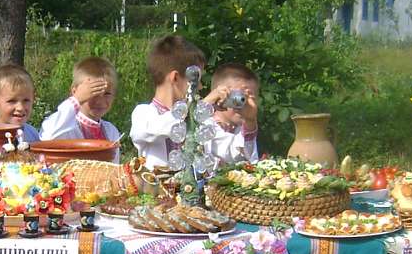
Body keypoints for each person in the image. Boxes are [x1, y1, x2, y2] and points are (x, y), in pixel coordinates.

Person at [130, 34, 212, 169]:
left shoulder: (192, 115)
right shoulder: (144, 113)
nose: (201, 87)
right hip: (156, 189)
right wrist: (204, 104)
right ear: (175, 78)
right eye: (196, 80)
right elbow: (152, 130)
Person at [39, 56, 121, 161]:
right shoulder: (66, 125)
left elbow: (114, 167)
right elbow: (48, 135)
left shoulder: (110, 131)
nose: (100, 101)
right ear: (75, 92)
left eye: (107, 94)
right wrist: (76, 99)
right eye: (93, 94)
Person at [207, 62, 261, 166]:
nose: (244, 103)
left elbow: (251, 162)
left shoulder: (243, 130)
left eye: (250, 98)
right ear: (218, 95)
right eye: (239, 97)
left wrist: (250, 120)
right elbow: (230, 153)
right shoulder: (205, 125)